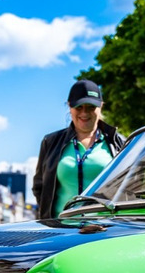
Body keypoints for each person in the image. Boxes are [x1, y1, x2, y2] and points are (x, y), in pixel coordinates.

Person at [33, 79, 126, 220]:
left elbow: (129, 187)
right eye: (79, 107)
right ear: (69, 106)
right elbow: (39, 187)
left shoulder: (120, 143)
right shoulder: (50, 142)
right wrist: (50, 219)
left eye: (90, 107)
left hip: (105, 229)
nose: (84, 113)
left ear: (101, 106)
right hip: (62, 230)